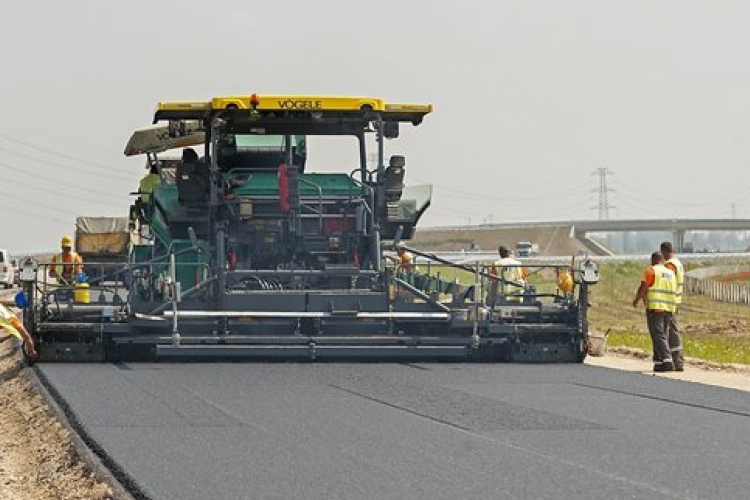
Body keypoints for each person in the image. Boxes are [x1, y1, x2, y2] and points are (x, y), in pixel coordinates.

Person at [632, 251, 677, 372]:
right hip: (669, 308)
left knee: (657, 335)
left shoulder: (651, 271)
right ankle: (659, 362)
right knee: (663, 334)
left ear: (653, 260)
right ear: (662, 260)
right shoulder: (670, 273)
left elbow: (643, 287)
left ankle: (667, 360)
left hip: (656, 307)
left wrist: (636, 300)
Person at [660, 241, 685, 371]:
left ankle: (677, 361)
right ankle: (676, 360)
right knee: (671, 330)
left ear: (664, 251)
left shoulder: (670, 265)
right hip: (675, 301)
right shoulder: (678, 263)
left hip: (669, 302)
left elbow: (668, 283)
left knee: (671, 332)